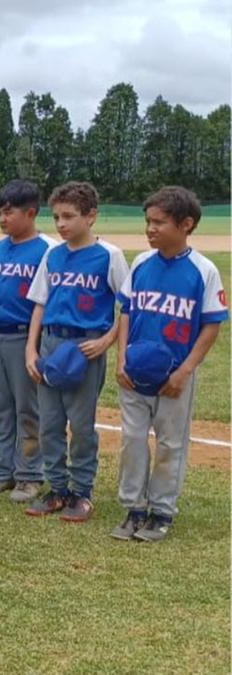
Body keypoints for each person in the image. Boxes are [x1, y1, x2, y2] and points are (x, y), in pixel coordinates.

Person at [112, 186, 226, 541]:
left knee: (170, 444)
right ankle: (133, 508)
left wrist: (185, 370)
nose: (150, 229)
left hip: (174, 376)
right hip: (134, 374)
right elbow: (127, 311)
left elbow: (211, 325)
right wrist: (121, 359)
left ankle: (161, 511)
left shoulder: (202, 270)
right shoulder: (142, 263)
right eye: (148, 222)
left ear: (186, 224)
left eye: (159, 223)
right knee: (131, 440)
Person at [24, 181, 128, 522]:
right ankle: (57, 489)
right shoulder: (53, 255)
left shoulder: (109, 255)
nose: (61, 224)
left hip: (86, 346)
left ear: (91, 216)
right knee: (49, 423)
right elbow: (40, 304)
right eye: (56, 217)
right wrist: (31, 349)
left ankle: (82, 492)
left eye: (69, 216)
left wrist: (107, 340)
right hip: (52, 344)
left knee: (81, 426)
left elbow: (128, 308)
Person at [0, 180, 54, 503]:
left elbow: (47, 302)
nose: (2, 219)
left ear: (31, 212)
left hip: (24, 336)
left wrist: (33, 346)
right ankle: (0, 472)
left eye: (9, 212)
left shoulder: (47, 250)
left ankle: (29, 476)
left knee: (28, 410)